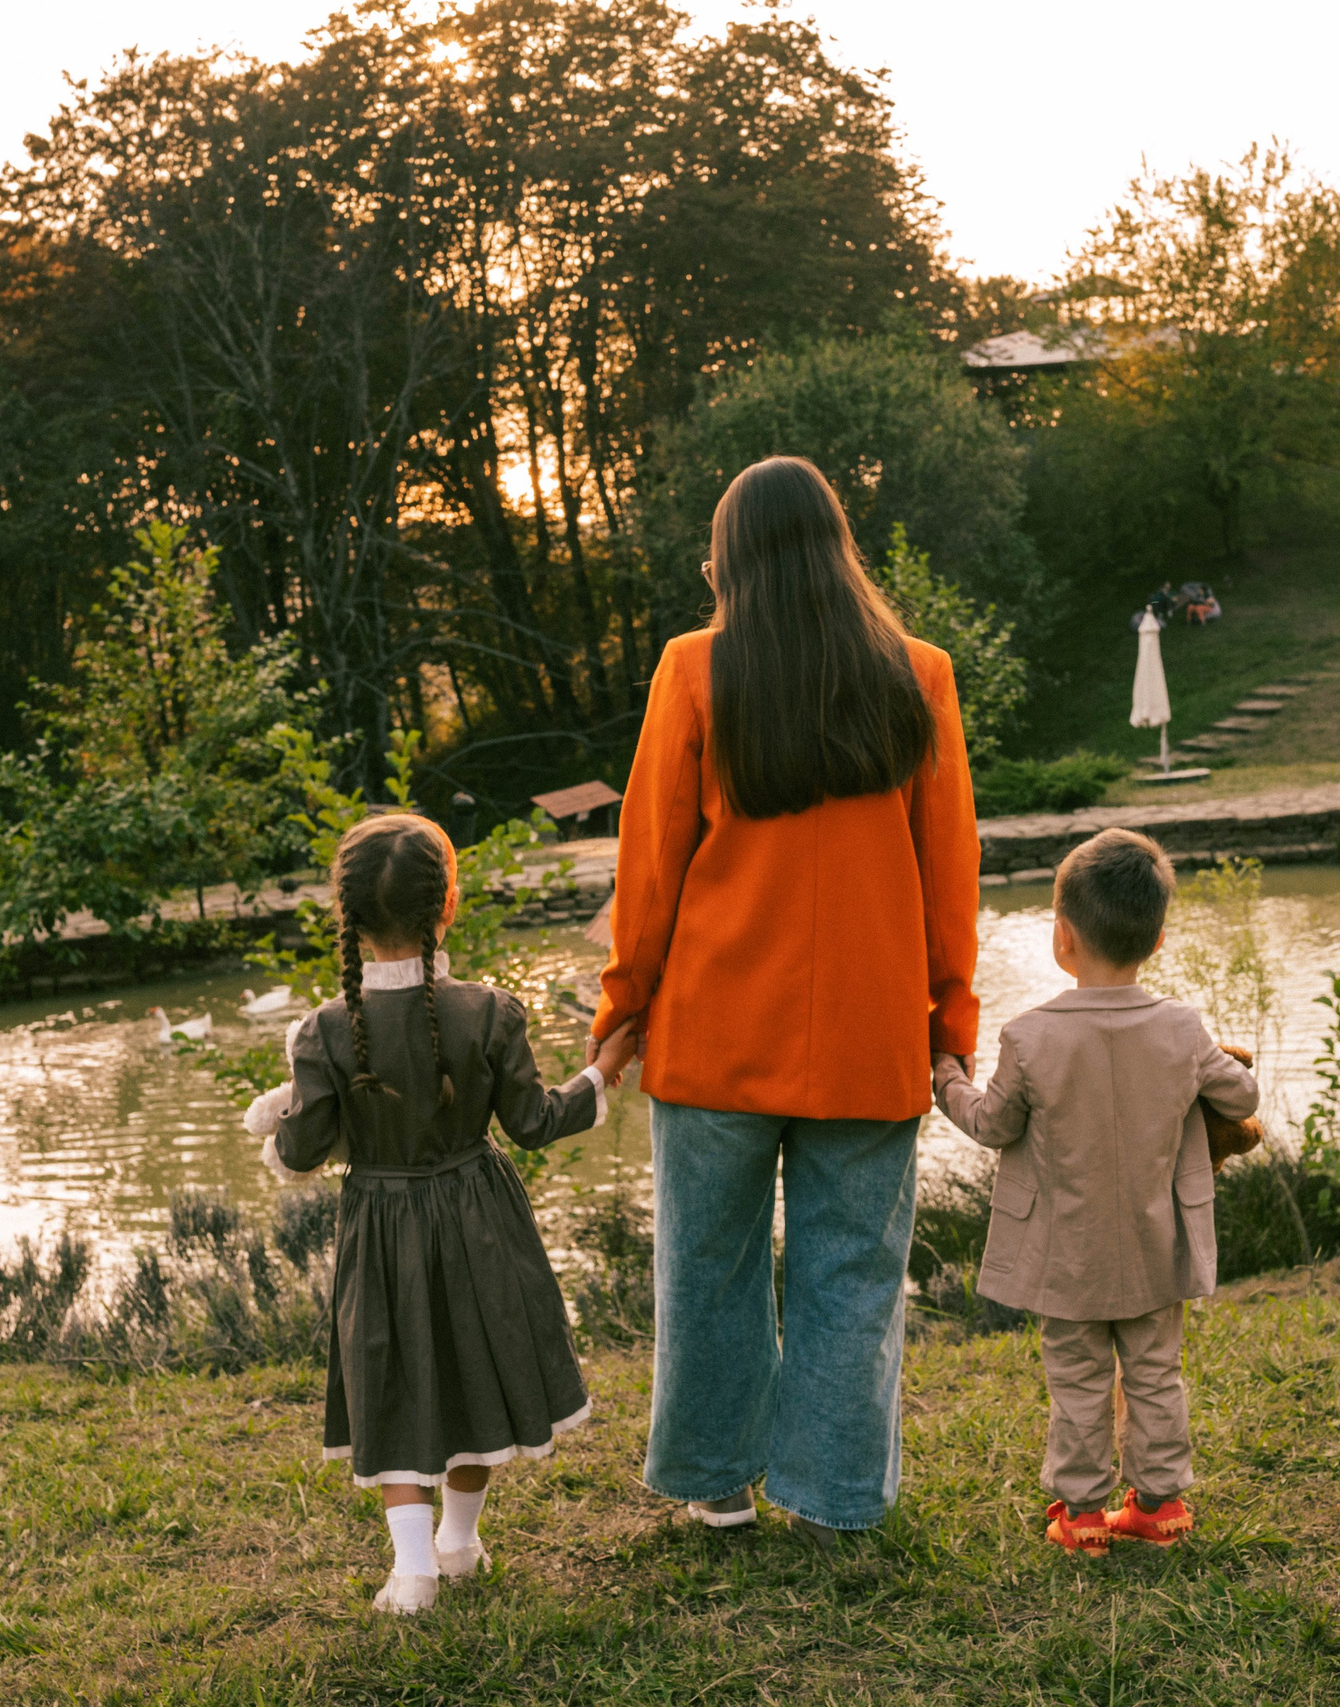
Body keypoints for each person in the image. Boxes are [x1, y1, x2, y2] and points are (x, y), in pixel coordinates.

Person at [594, 455, 980, 1545]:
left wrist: (621, 1011)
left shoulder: (692, 668)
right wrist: (950, 1027)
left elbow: (650, 864)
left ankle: (718, 1485)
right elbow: (948, 873)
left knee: (707, 1270)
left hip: (713, 1033)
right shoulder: (921, 675)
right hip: (868, 1041)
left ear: (732, 556)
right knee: (852, 1279)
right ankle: (835, 1498)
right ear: (836, 546)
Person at [245, 812, 638, 1614]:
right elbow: (533, 1122)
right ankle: (457, 1541)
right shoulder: (491, 1011)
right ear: (448, 904)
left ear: (345, 918)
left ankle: (416, 1566)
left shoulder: (321, 1032)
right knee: (471, 1373)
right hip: (479, 1222)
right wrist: (600, 1071)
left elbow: (300, 1154)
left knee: (393, 1374)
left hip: (381, 1232)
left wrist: (279, 1114)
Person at [930, 827, 1257, 1553]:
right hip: (1155, 1249)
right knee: (1156, 1375)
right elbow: (1241, 1093)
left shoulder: (1029, 1036)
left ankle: (1080, 1514)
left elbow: (989, 1122)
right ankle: (1160, 1504)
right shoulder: (1180, 1027)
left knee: (1078, 1381)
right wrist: (1213, 1066)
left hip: (1068, 1258)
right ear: (1159, 937)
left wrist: (947, 1077)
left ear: (1062, 937)